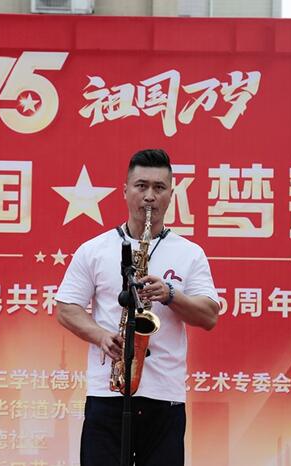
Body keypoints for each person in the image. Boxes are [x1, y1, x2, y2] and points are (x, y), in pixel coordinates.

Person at [55, 149, 220, 466]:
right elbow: (66, 309)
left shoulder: (190, 253)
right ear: (125, 190)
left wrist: (171, 294)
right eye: (141, 186)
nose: (149, 197)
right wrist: (101, 336)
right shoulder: (94, 249)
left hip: (165, 397)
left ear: (171, 194)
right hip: (108, 394)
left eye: (159, 188)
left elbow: (209, 315)